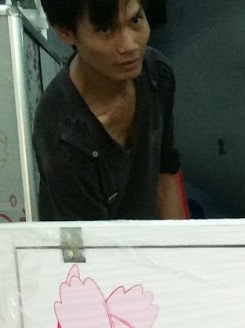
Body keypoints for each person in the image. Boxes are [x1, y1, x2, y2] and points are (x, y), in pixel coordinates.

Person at [33, 0, 185, 221]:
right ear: (65, 33)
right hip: (91, 237)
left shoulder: (157, 75)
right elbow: (91, 239)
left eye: (135, 20)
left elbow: (165, 173)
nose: (129, 45)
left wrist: (180, 242)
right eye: (105, 29)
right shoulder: (62, 134)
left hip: (146, 236)